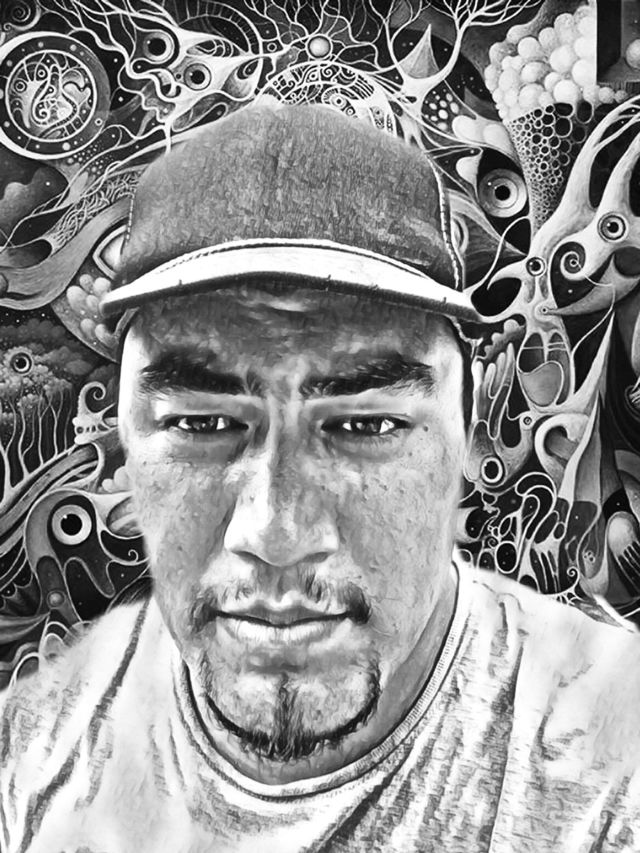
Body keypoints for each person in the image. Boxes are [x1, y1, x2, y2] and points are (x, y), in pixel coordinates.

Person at [1, 103, 639, 853]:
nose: (276, 533)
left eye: (367, 425)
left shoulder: (612, 760)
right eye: (200, 423)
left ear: (465, 436)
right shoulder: (31, 760)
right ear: (123, 442)